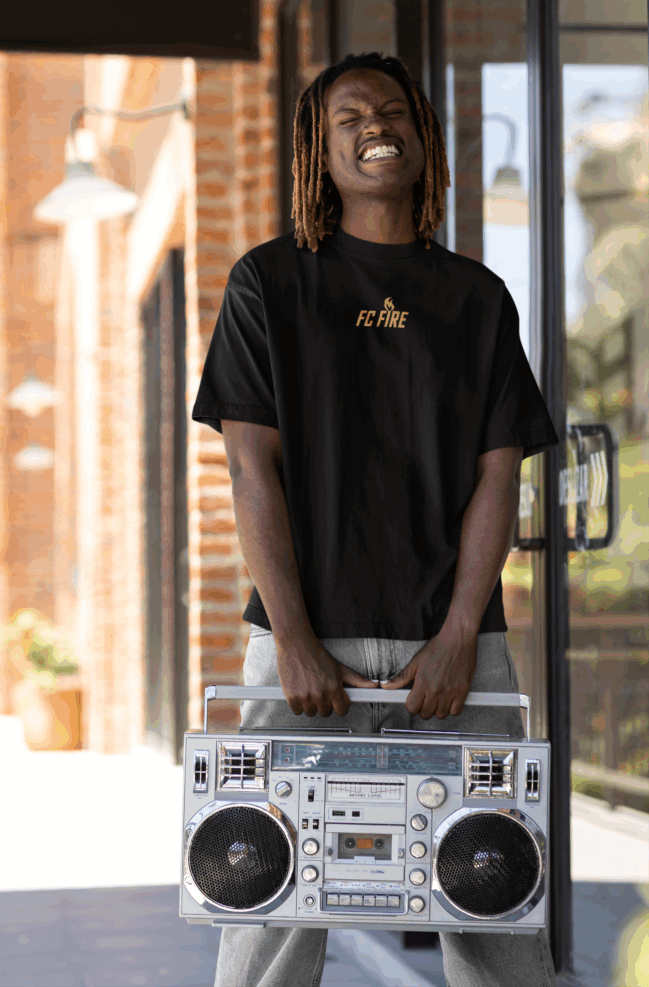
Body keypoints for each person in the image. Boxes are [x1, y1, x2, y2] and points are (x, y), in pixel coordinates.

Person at [192, 51, 559, 987]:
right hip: (302, 645)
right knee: (271, 903)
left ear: (422, 140)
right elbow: (250, 467)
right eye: (347, 116)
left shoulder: (474, 298)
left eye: (390, 110)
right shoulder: (267, 284)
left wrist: (456, 633)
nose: (372, 126)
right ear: (319, 148)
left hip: (456, 650)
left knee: (493, 899)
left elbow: (496, 478)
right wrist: (298, 638)